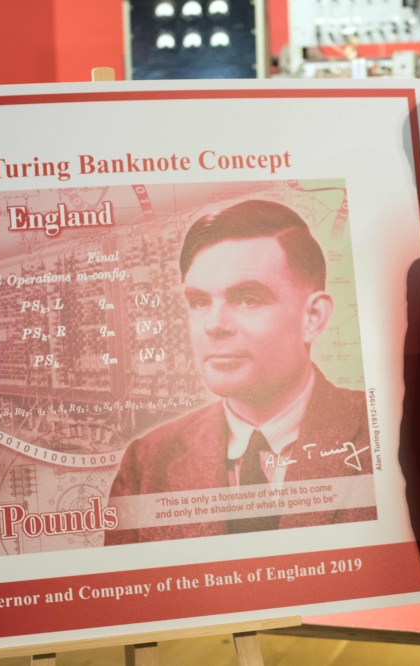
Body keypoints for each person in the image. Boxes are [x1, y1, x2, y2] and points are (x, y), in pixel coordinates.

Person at [106, 200, 375, 545]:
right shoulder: (147, 462)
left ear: (313, 318)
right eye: (200, 302)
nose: (214, 325)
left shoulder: (381, 433)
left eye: (248, 299)